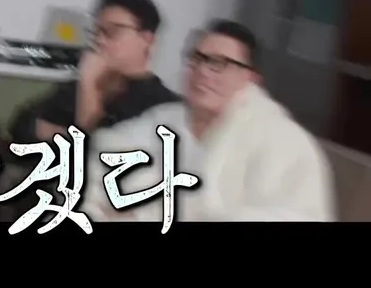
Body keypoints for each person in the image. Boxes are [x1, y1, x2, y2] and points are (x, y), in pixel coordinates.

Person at [81, 19, 334, 222]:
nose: (202, 72)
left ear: (251, 77)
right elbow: (100, 169)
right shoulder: (164, 119)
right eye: (197, 59)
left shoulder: (283, 140)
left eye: (219, 64)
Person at [9, 0, 180, 145]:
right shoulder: (77, 86)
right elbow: (21, 124)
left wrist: (88, 88)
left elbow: (101, 151)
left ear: (147, 39)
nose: (99, 40)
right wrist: (71, 136)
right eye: (97, 32)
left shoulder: (164, 105)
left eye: (112, 31)